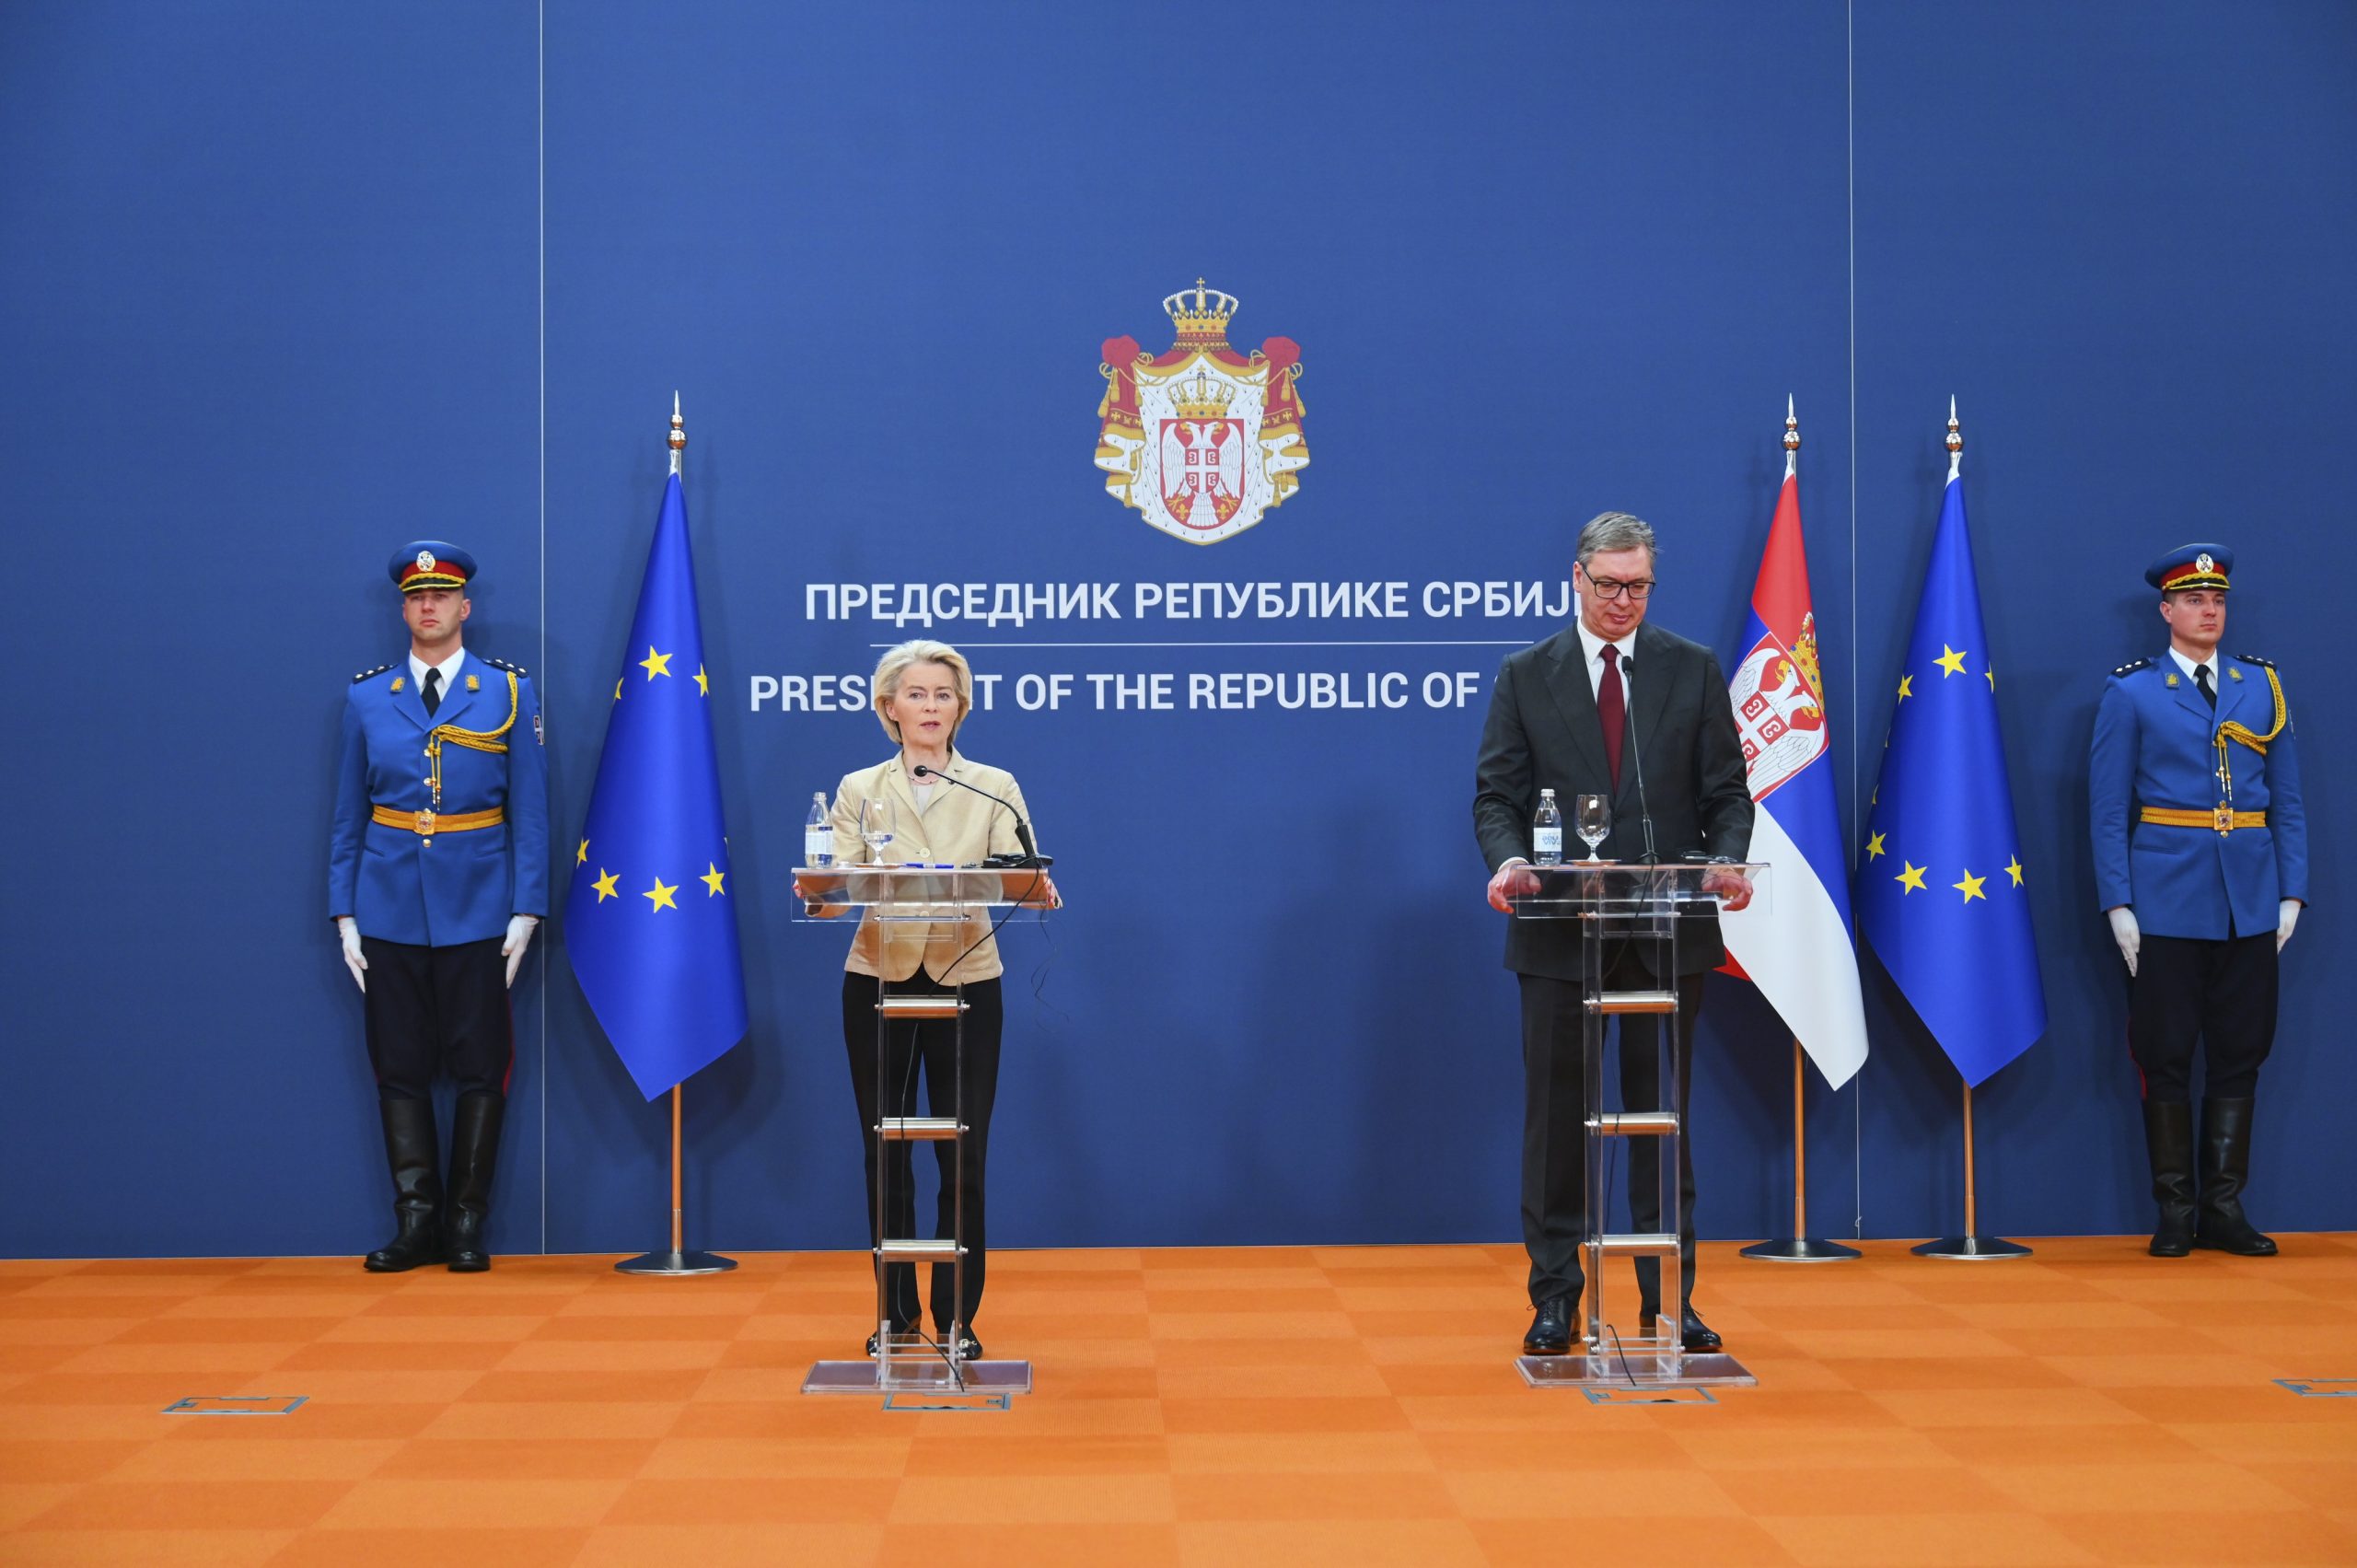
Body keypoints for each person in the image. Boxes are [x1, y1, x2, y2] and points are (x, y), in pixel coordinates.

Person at [1473, 511, 1753, 1356]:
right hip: (1562, 934)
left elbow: (1726, 794)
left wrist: (1726, 859)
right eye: (1609, 585)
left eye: (1639, 586)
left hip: (1668, 932)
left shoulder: (1691, 669)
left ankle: (1669, 1297)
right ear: (1577, 577)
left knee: (1662, 1121)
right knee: (1557, 1124)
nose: (1623, 600)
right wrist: (1510, 861)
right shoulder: (1528, 675)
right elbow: (1495, 797)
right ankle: (1556, 1296)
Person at [800, 639, 1055, 1361]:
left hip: (967, 975)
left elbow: (1017, 871)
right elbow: (837, 884)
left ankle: (957, 1317)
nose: (931, 706)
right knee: (884, 1152)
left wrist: (1037, 885)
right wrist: (817, 895)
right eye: (916, 694)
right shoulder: (859, 787)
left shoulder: (994, 785)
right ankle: (895, 1313)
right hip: (878, 976)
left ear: (961, 707)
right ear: (890, 707)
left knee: (963, 1154)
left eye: (944, 694)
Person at [327, 541, 549, 1272]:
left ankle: (465, 1224)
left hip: (480, 903)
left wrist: (526, 908)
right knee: (399, 1065)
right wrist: (345, 912)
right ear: (403, 610)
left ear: (465, 607)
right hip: (387, 903)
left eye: (441, 595)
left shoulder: (507, 691)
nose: (429, 606)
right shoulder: (368, 697)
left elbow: (531, 811)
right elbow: (348, 815)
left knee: (482, 1065)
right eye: (417, 597)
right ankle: (416, 1220)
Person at [2090, 543, 2304, 1258]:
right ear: (2166, 611)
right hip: (2166, 899)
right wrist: (2119, 902)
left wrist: (2291, 891)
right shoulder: (2133, 692)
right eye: (2193, 600)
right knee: (2167, 1052)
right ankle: (2176, 1209)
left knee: (2242, 1050)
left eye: (2217, 600)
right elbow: (2108, 809)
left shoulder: (2261, 685)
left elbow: (2288, 803)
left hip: (2250, 897)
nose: (2209, 611)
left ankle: (2224, 1206)